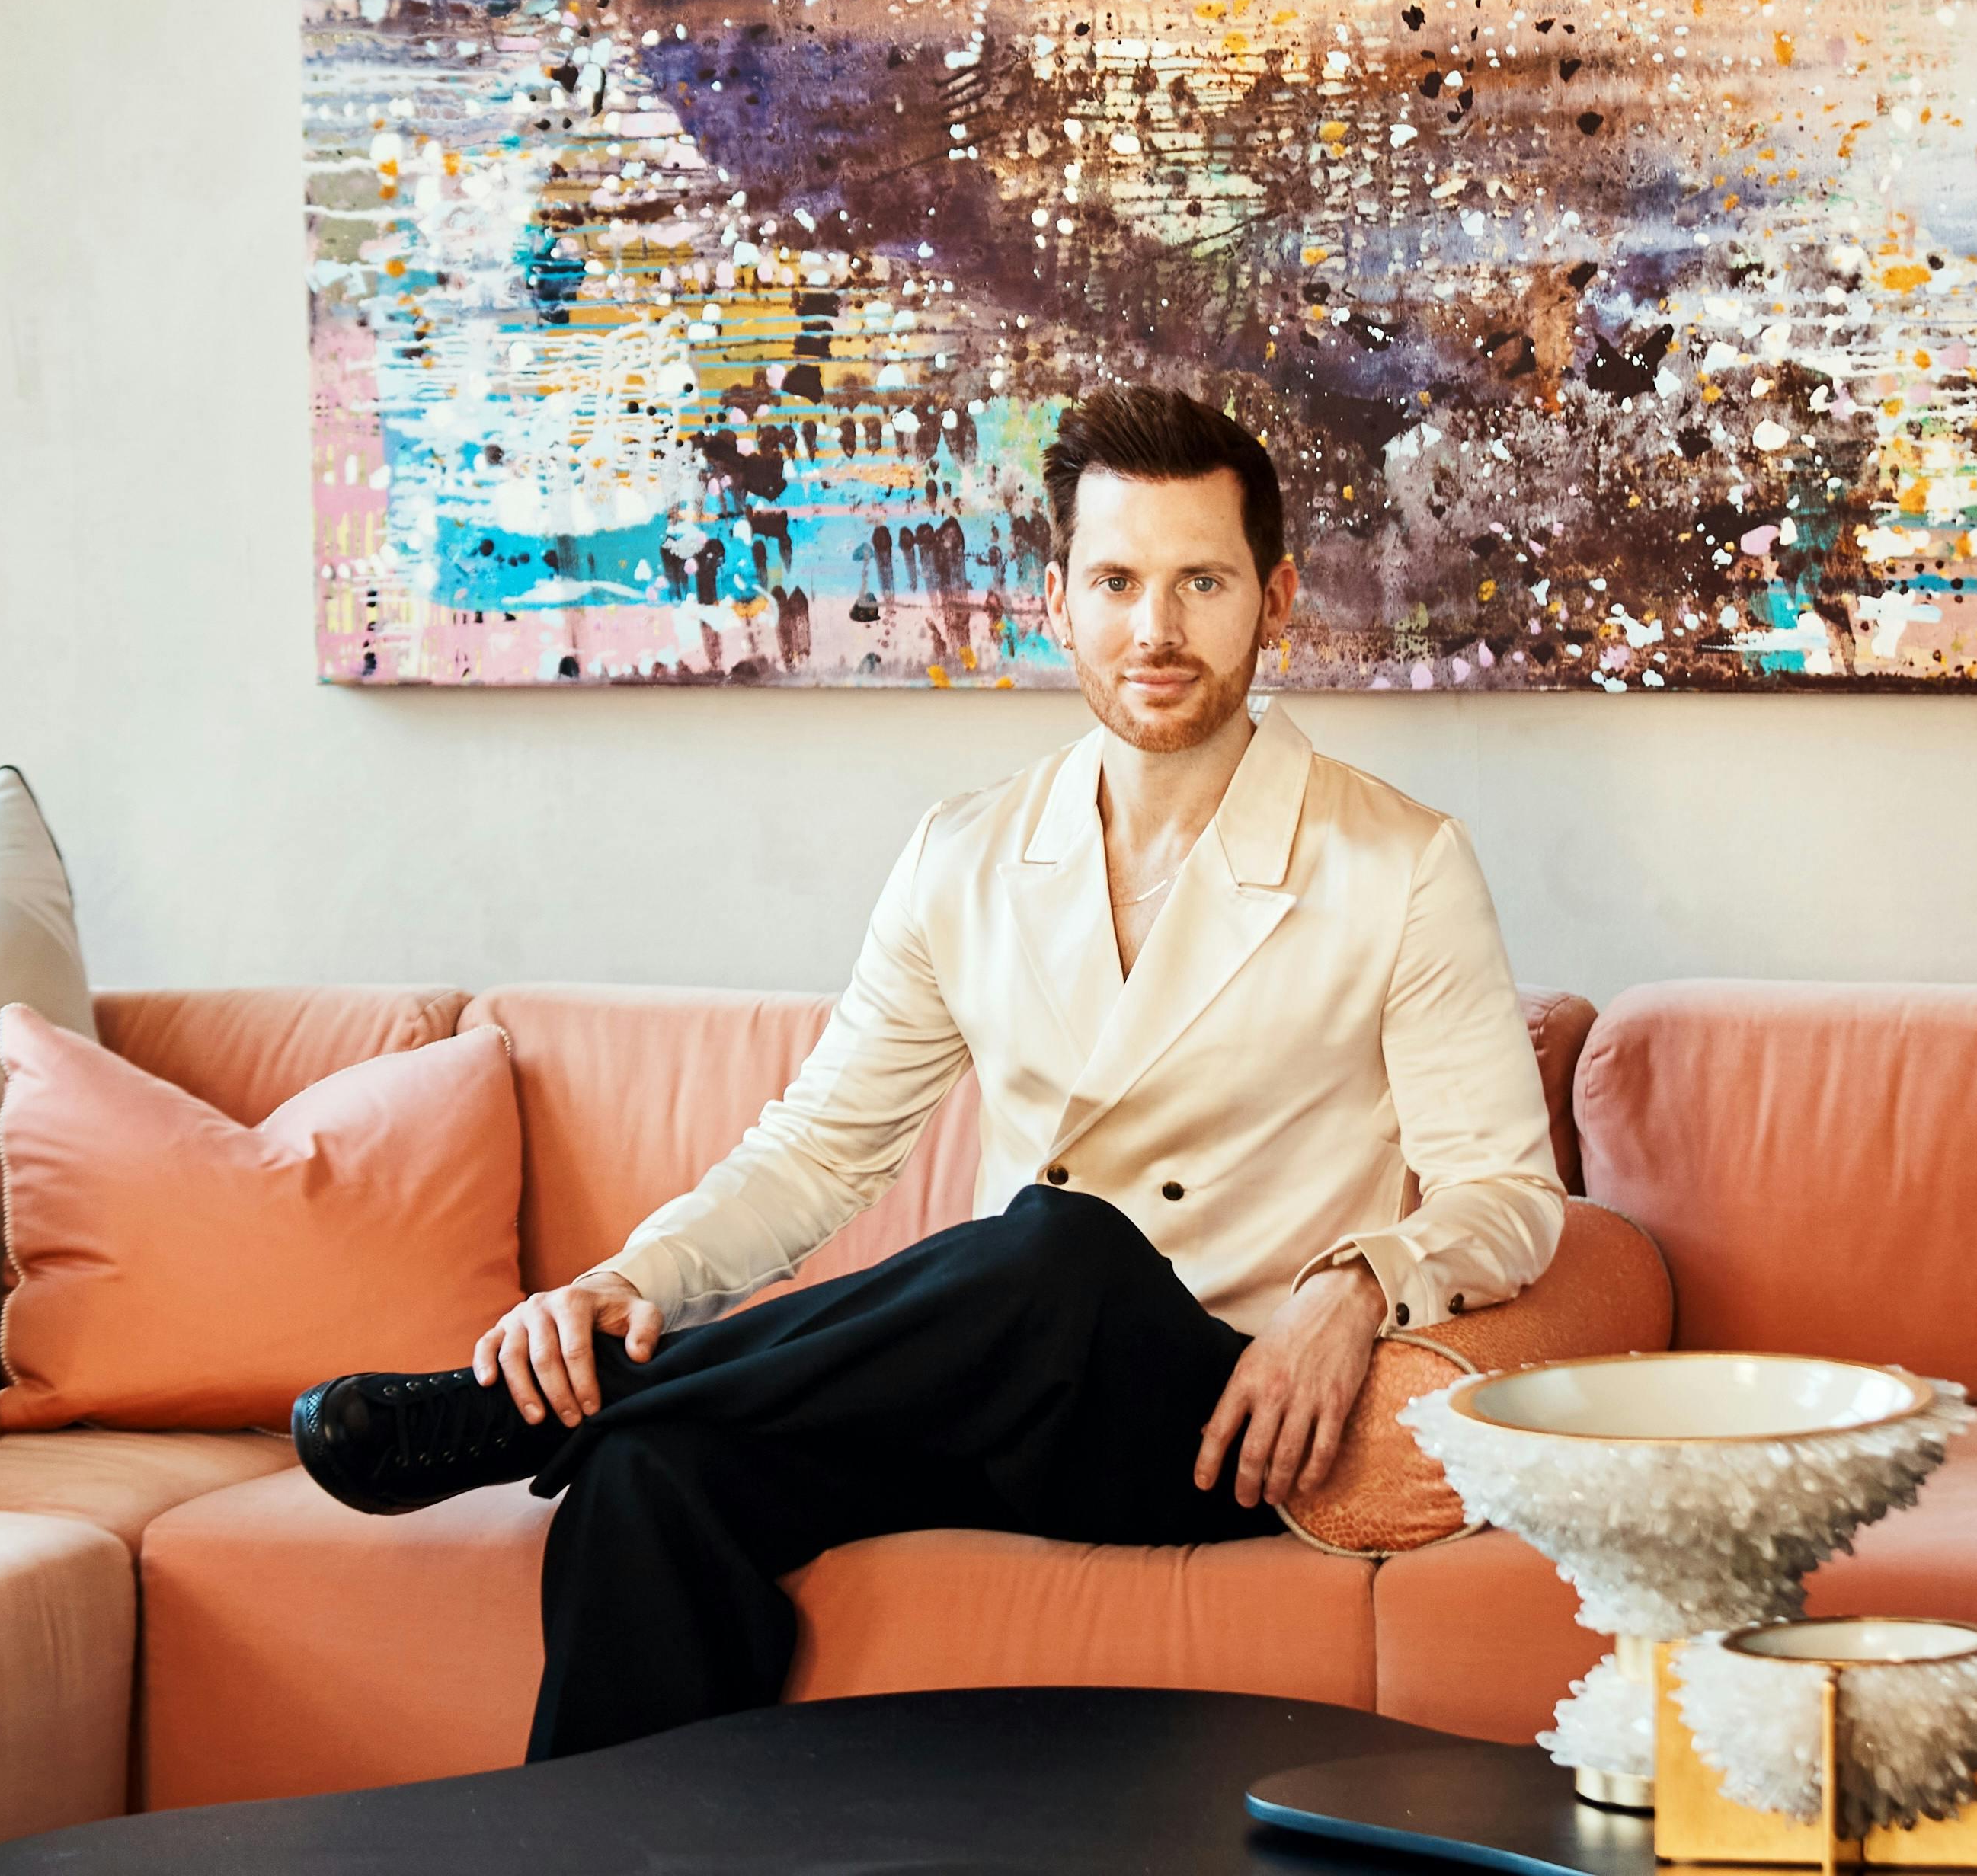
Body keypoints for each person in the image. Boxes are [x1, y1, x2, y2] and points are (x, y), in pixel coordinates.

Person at [288, 384, 1564, 1759]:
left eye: (1202, 580)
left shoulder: (1398, 862)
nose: (1157, 629)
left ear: (1278, 599)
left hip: (1221, 1423)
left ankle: (523, 1410)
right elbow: (823, 1148)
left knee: (1059, 1249)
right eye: (1119, 580)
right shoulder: (965, 854)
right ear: (1056, 603)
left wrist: (1359, 1282)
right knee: (645, 1477)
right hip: (987, 1402)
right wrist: (627, 1283)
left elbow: (1508, 1191)